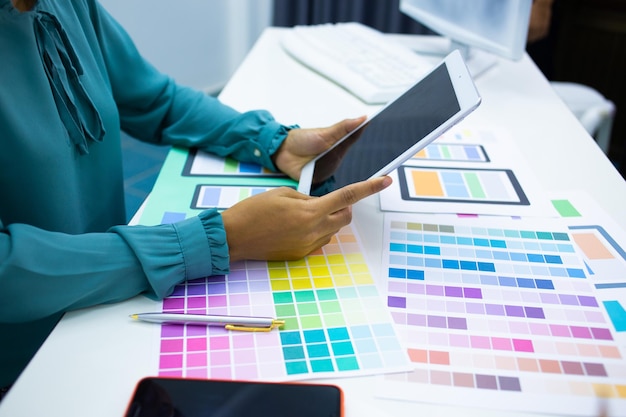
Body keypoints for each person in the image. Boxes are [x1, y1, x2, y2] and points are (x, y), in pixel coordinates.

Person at [0, 0, 392, 395]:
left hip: (99, 302)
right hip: (25, 363)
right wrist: (219, 239)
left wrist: (272, 142)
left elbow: (154, 100)